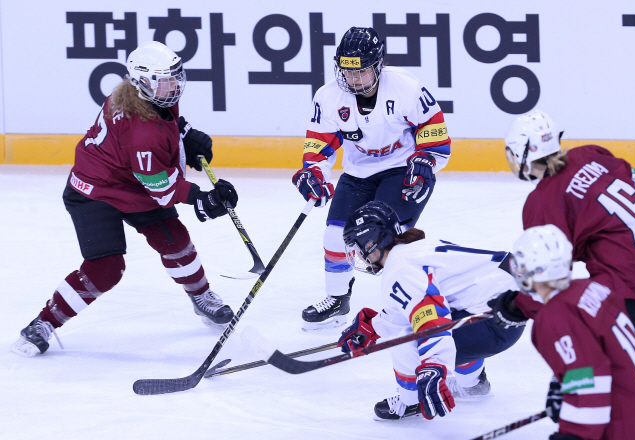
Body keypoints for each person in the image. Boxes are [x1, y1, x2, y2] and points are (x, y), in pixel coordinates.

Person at [11, 41, 239, 357]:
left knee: (175, 241)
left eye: (175, 76)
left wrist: (185, 134)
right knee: (106, 267)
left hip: (131, 180)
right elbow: (162, 189)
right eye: (166, 79)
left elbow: (165, 128)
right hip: (93, 190)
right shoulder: (144, 133)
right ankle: (43, 323)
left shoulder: (144, 95)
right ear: (142, 82)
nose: (175, 85)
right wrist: (202, 198)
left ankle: (201, 297)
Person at [292, 27, 452, 330]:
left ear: (378, 65)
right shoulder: (328, 97)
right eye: (346, 72)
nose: (353, 80)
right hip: (358, 173)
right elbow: (319, 144)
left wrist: (426, 161)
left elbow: (433, 130)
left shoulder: (406, 87)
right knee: (334, 236)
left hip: (401, 169)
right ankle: (338, 299)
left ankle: (411, 304)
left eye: (362, 72)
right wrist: (313, 171)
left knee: (389, 243)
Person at [503, 109, 635, 366]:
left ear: (524, 153)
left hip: (621, 293)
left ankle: (593, 407)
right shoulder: (592, 154)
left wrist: (516, 306)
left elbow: (549, 279)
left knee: (595, 371)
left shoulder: (543, 202)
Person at [337, 201, 524, 421]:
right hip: (509, 309)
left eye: (357, 247)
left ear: (370, 243)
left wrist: (434, 365)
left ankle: (410, 401)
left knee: (405, 339)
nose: (358, 255)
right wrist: (375, 326)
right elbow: (419, 303)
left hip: (493, 322)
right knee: (447, 312)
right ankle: (473, 383)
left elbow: (429, 315)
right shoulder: (413, 250)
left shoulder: (399, 269)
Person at [492, 224, 635, 440]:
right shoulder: (592, 288)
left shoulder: (555, 318)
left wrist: (576, 435)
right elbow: (593, 352)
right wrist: (561, 384)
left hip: (616, 425)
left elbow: (590, 378)